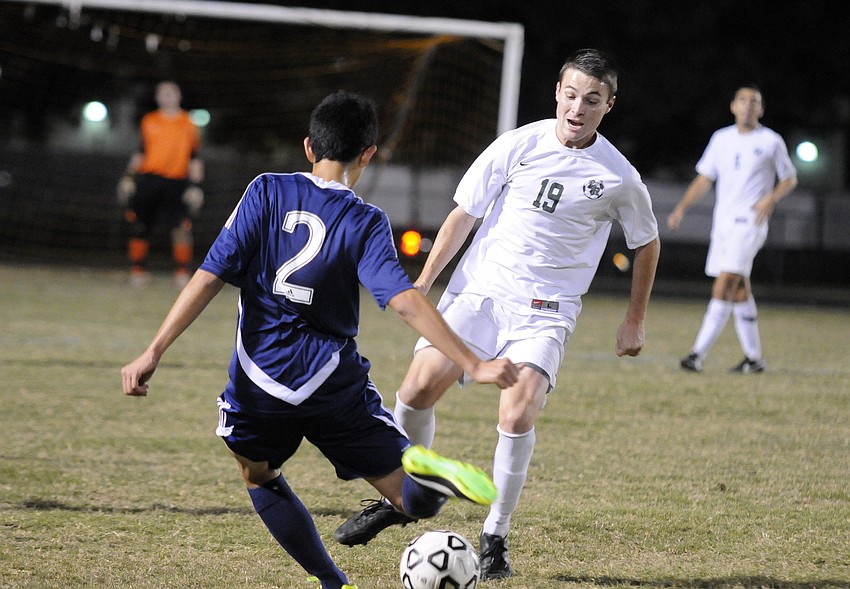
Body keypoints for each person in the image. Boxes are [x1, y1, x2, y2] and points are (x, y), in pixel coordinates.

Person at [120, 91, 518, 589]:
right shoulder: (365, 220)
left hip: (258, 379)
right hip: (331, 381)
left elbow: (209, 275)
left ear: (309, 146)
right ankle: (425, 473)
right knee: (410, 498)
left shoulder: (265, 191)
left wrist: (154, 350)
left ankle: (334, 582)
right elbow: (403, 299)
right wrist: (473, 363)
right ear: (368, 154)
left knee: (259, 475)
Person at [334, 49, 661, 580]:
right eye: (572, 95)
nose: (578, 108)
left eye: (593, 100)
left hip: (546, 312)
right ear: (558, 92)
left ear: (609, 105)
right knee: (416, 390)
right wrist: (424, 280)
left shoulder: (619, 177)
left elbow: (646, 245)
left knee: (517, 413)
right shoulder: (519, 144)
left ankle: (495, 534)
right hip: (480, 293)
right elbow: (465, 214)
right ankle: (400, 496)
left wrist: (634, 320)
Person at [667, 84, 797, 374]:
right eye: (743, 100)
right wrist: (681, 208)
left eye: (754, 102)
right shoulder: (721, 139)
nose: (748, 106)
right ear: (733, 106)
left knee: (724, 283)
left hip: (750, 223)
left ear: (761, 109)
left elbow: (789, 178)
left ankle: (696, 355)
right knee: (738, 289)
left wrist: (771, 198)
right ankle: (754, 359)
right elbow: (704, 179)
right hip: (723, 224)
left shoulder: (771, 141)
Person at [117, 80, 205, 288]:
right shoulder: (149, 121)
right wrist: (128, 177)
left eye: (171, 93)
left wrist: (196, 186)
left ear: (179, 96)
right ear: (157, 98)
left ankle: (182, 273)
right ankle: (138, 271)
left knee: (181, 228)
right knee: (140, 225)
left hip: (177, 181)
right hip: (149, 180)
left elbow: (195, 157)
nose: (167, 96)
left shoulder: (188, 123)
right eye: (163, 93)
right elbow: (141, 152)